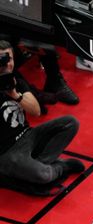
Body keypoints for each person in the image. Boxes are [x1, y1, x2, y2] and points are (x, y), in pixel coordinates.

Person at [0, 40, 84, 194]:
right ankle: (60, 168)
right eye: (1, 61)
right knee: (44, 175)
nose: (6, 65)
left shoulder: (14, 80)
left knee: (71, 123)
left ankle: (34, 167)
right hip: (6, 152)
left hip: (27, 135)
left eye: (8, 59)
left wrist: (14, 95)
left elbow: (36, 111)